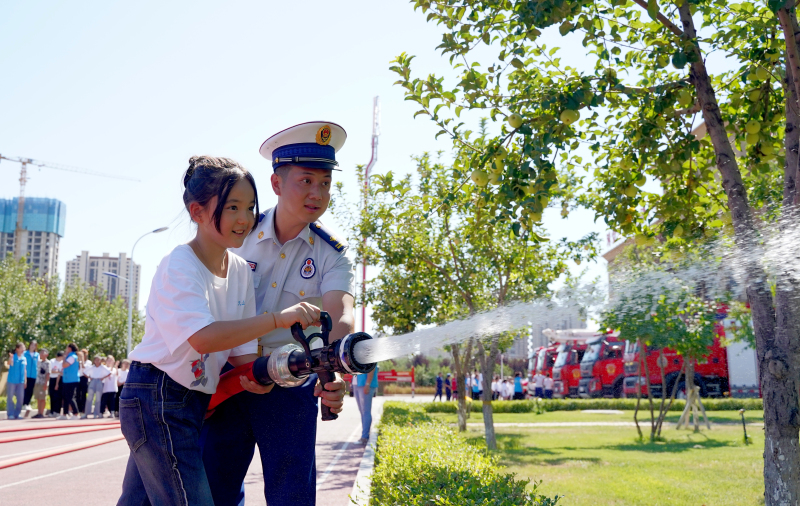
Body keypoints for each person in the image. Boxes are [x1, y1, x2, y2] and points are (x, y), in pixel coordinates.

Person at [117, 155, 321, 506]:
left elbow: (243, 355)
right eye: (232, 208)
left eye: (250, 207)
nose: (244, 219)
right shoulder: (180, 265)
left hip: (191, 402)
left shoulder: (240, 269)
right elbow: (204, 337)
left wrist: (286, 368)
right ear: (197, 212)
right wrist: (277, 319)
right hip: (156, 397)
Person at [201, 123, 352, 506]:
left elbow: (340, 314)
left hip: (289, 385)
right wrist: (246, 364)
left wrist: (336, 368)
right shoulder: (238, 232)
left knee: (291, 495)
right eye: (306, 180)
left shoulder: (332, 252)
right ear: (276, 184)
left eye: (325, 182)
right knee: (214, 490)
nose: (317, 193)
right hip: (229, 380)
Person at [355, 364, 378, 444]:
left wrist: (367, 384)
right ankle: (364, 435)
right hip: (357, 383)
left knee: (366, 411)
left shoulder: (370, 351)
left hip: (365, 384)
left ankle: (365, 437)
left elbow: (372, 367)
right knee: (362, 412)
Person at [58, 343, 81, 419]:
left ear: (70, 349)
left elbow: (64, 365)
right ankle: (65, 414)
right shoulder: (72, 356)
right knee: (65, 397)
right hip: (67, 379)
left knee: (71, 397)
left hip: (72, 380)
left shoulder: (72, 357)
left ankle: (76, 413)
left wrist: (64, 357)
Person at [5, 343, 27, 420]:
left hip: (20, 381)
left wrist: (25, 381)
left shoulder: (24, 358)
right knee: (10, 397)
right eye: (21, 347)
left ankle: (17, 413)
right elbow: (9, 364)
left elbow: (24, 370)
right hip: (12, 380)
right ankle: (10, 413)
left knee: (20, 398)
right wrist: (10, 358)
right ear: (17, 349)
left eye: (24, 347)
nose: (23, 349)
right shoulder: (13, 357)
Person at [32, 348, 51, 418]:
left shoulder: (48, 363)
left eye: (43, 353)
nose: (41, 354)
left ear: (47, 354)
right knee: (38, 398)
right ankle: (38, 412)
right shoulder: (39, 362)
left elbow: (48, 373)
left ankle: (41, 413)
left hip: (43, 382)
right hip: (37, 382)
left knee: (43, 398)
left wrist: (46, 383)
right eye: (41, 353)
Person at [22, 340, 39, 415]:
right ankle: (24, 403)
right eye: (32, 344)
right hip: (26, 374)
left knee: (30, 389)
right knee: (24, 389)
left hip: (33, 375)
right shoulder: (25, 353)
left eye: (34, 345)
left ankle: (27, 403)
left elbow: (38, 365)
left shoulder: (37, 355)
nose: (33, 346)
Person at [49, 351, 64, 417]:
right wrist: (58, 371)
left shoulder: (62, 362)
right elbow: (51, 370)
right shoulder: (52, 361)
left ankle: (57, 411)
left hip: (59, 379)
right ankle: (52, 411)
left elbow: (61, 373)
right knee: (52, 395)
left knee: (58, 396)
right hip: (52, 379)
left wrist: (57, 372)